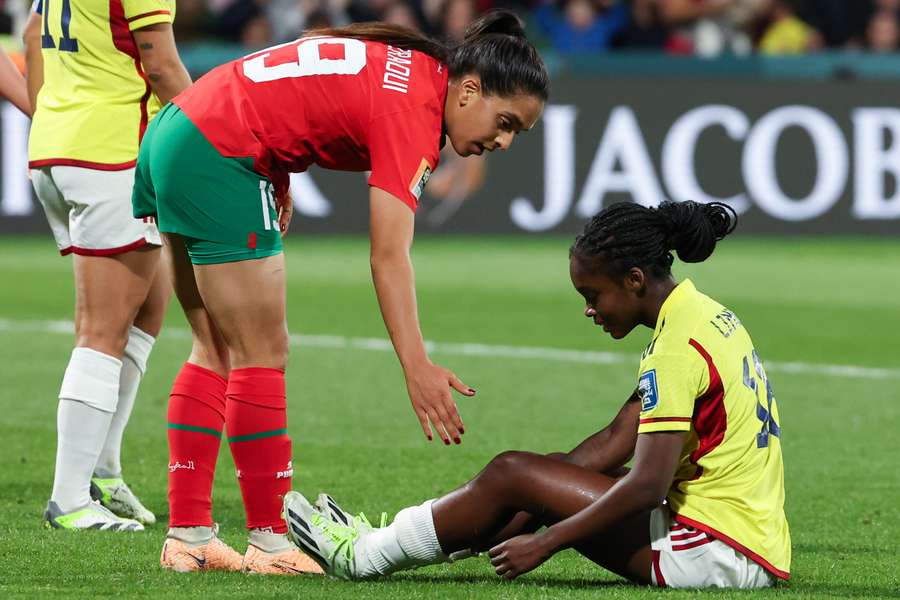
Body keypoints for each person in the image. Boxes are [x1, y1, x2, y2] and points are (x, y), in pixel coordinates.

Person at [132, 10, 547, 575]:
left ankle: (190, 538)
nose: (502, 142)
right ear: (469, 89)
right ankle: (270, 544)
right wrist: (416, 364)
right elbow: (387, 255)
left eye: (515, 133)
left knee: (214, 349)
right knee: (263, 353)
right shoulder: (416, 109)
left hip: (177, 130)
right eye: (505, 123)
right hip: (221, 151)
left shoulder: (414, 67)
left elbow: (288, 74)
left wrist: (276, 170)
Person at [284, 200, 791, 589]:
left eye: (593, 295)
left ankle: (364, 555)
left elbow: (647, 486)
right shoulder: (703, 314)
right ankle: (407, 539)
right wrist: (534, 495)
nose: (589, 310)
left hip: (711, 550)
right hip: (747, 540)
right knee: (543, 473)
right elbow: (617, 439)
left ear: (634, 280)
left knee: (513, 471)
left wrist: (546, 541)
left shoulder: (675, 348)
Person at [24, 0, 192, 531]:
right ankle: (69, 500)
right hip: (110, 152)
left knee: (149, 309)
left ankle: (101, 468)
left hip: (60, 146)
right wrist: (217, 140)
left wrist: (54, 123)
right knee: (102, 329)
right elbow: (161, 65)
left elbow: (32, 36)